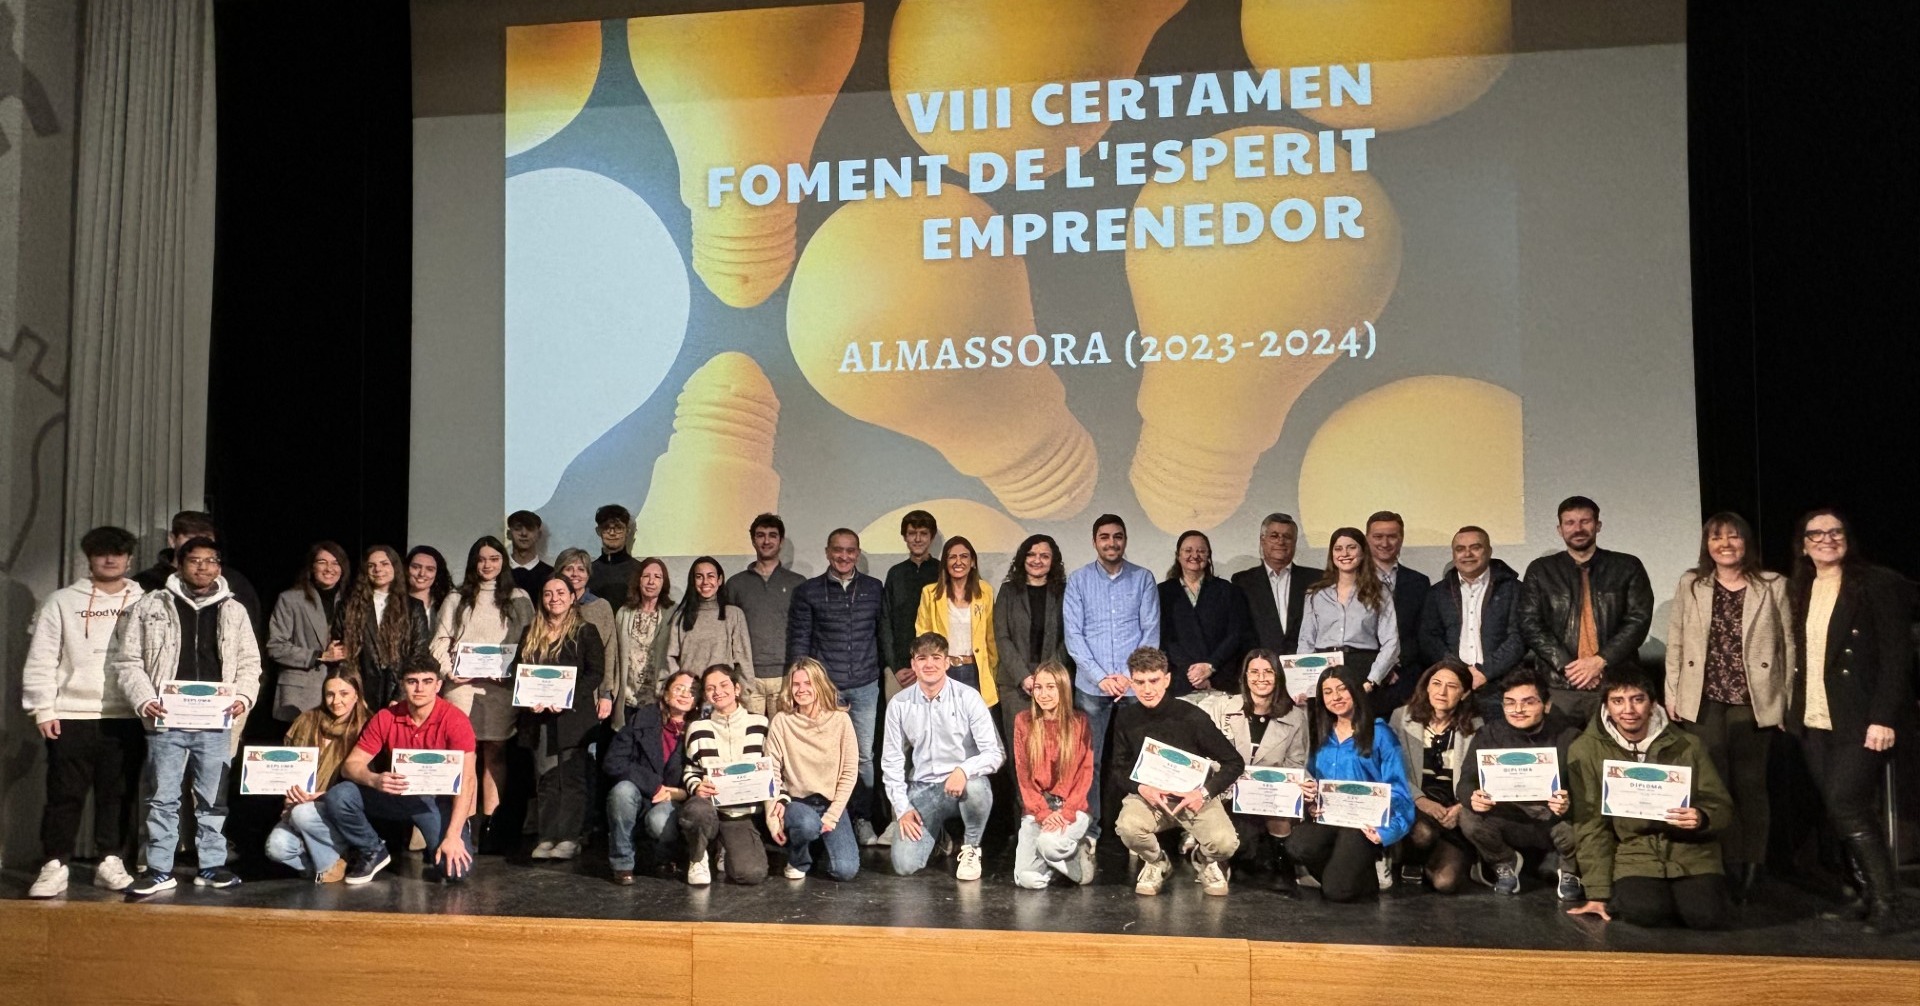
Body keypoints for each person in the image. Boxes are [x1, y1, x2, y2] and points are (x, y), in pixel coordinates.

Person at [113, 537, 263, 896]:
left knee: (213, 799)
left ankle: (211, 865)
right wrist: (144, 698)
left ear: (219, 566)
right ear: (179, 564)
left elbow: (249, 663)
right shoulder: (151, 604)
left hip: (215, 721)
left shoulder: (234, 610)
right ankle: (159, 869)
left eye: (211, 560)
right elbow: (128, 660)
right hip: (166, 719)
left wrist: (243, 697)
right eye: (195, 560)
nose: (203, 567)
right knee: (162, 798)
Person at [1787, 508, 1912, 934]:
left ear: (1847, 537)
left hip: (1861, 719)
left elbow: (1897, 657)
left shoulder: (1875, 582)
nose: (1826, 539)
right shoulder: (1802, 587)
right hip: (1814, 719)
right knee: (1840, 810)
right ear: (1803, 545)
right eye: (1816, 534)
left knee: (1848, 804)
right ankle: (1865, 895)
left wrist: (1883, 718)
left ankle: (1888, 903)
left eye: (1835, 531)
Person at [1663, 511, 1794, 902]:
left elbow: (1788, 646)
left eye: (1733, 536)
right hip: (1702, 698)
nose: (1725, 544)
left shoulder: (1772, 585)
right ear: (1707, 545)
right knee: (1713, 785)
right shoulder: (1692, 583)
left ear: (1746, 542)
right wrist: (1672, 691)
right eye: (1716, 537)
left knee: (1751, 786)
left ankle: (1752, 865)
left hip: (1753, 700)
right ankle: (1722, 863)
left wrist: (1785, 701)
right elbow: (1676, 639)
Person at [22, 525, 146, 898]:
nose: (110, 559)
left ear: (129, 559)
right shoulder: (61, 601)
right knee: (64, 794)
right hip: (71, 712)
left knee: (118, 795)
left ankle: (110, 861)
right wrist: (42, 708)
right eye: (101, 553)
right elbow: (42, 656)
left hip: (126, 715)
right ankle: (54, 864)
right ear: (89, 558)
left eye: (117, 553)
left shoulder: (147, 601)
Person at [1566, 666, 1731, 930]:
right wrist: (1597, 893)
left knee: (1706, 917)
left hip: (1691, 851)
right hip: (1635, 852)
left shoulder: (1689, 745)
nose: (1628, 710)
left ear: (1653, 704)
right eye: (1618, 701)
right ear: (1606, 707)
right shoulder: (1585, 750)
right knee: (1645, 912)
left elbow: (1720, 805)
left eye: (1637, 699)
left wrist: (1702, 817)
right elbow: (1591, 823)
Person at [321, 654, 479, 885]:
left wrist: (453, 835)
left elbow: (467, 779)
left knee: (455, 871)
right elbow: (350, 766)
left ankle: (455, 828)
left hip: (436, 801)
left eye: (427, 681)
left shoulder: (455, 719)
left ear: (438, 685)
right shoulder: (386, 717)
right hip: (396, 794)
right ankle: (372, 850)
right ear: (403, 684)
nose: (419, 688)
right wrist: (374, 779)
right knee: (340, 795)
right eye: (412, 681)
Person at [1111, 647, 1243, 896]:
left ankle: (1203, 860)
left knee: (1225, 843)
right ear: (1131, 683)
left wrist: (1203, 793)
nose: (1147, 689)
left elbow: (1234, 763)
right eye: (1139, 682)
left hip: (1193, 798)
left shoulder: (1192, 717)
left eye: (1154, 681)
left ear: (1167, 679)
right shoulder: (1126, 718)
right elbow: (1118, 769)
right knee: (1128, 826)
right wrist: (1142, 789)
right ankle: (1156, 862)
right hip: (1150, 797)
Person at [430, 536, 534, 845]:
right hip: (461, 688)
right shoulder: (456, 597)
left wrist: (512, 671)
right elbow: (439, 642)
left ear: (503, 561)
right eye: (481, 559)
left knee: (496, 753)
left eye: (494, 559)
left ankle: (491, 827)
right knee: (465, 754)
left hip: (500, 690)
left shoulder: (519, 597)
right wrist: (450, 671)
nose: (487, 565)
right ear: (473, 562)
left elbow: (531, 643)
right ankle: (463, 825)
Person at [786, 528, 886, 845]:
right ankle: (828, 817)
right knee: (825, 757)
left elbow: (882, 635)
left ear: (857, 553)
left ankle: (862, 819)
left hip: (866, 685)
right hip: (826, 690)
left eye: (850, 550)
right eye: (838, 550)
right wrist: (799, 684)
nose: (844, 556)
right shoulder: (808, 591)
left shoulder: (874, 588)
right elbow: (800, 641)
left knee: (864, 758)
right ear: (828, 552)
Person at [1063, 513, 1160, 831]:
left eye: (1117, 536)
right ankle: (1090, 829)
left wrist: (1129, 677)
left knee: (1141, 760)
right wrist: (1102, 677)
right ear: (1094, 542)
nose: (1111, 542)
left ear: (1125, 540)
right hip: (1092, 688)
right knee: (1089, 761)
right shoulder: (1078, 580)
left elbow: (1150, 632)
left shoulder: (1143, 578)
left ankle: (1139, 828)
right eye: (1104, 537)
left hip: (1135, 688)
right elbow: (1074, 636)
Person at [1519, 496, 1654, 724]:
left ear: (1598, 525)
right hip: (1559, 685)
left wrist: (1600, 661)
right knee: (1562, 746)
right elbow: (1530, 623)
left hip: (1615, 683)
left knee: (1614, 746)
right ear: (1560, 529)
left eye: (1585, 521)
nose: (1578, 529)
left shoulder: (1627, 566)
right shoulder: (1541, 570)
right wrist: (1570, 668)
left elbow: (1638, 620)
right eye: (1570, 523)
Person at [1287, 666, 1414, 903]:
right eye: (1328, 692)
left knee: (1337, 892)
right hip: (1329, 818)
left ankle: (1363, 869)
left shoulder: (1380, 734)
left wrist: (1386, 832)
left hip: (1364, 824)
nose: (1335, 697)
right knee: (1297, 845)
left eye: (1342, 689)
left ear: (1355, 691)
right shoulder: (1321, 735)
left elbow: (1399, 791)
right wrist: (1311, 802)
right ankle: (1350, 873)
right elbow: (1313, 780)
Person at [883, 632, 1003, 879]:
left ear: (947, 662)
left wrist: (963, 770)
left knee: (977, 788)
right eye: (922, 658)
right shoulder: (899, 704)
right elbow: (891, 762)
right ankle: (939, 838)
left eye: (936, 658)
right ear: (913, 664)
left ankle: (971, 848)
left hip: (962, 786)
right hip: (923, 788)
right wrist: (902, 808)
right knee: (904, 865)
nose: (929, 664)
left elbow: (995, 753)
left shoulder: (968, 697)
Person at [1457, 665, 1582, 900]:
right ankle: (1505, 862)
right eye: (1510, 702)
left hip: (1553, 820)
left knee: (1584, 820)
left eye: (1528, 702)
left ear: (1546, 705)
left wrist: (1569, 803)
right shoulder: (1488, 734)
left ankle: (1570, 869)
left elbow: (1587, 792)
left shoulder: (1569, 736)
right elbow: (1465, 782)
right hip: (1508, 818)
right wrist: (1473, 797)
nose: (1518, 710)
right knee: (1468, 816)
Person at [1189, 649, 1308, 895]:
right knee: (1239, 843)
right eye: (1254, 672)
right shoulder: (1223, 707)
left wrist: (1285, 785)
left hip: (1269, 797)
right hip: (1227, 792)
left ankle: (1283, 866)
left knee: (1276, 817)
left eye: (1268, 672)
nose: (1261, 678)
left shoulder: (1295, 716)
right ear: (1245, 676)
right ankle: (1211, 857)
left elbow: (1296, 764)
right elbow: (1207, 755)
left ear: (1278, 676)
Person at [514, 575, 607, 861]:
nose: (554, 598)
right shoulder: (530, 631)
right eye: (547, 593)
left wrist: (567, 698)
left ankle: (569, 837)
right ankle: (547, 836)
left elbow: (595, 672)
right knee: (546, 779)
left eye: (560, 592)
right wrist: (528, 699)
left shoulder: (585, 631)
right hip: (538, 719)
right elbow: (519, 670)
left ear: (572, 597)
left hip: (573, 718)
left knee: (572, 780)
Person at [264, 669, 371, 882]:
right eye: (330, 694)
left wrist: (322, 796)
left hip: (341, 808)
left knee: (302, 814)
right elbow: (287, 767)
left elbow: (368, 780)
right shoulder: (307, 720)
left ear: (357, 695)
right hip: (301, 804)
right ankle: (332, 861)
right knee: (277, 847)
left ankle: (328, 866)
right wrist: (288, 796)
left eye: (344, 694)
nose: (336, 701)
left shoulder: (368, 725)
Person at [1387, 661, 1478, 893]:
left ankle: (1430, 859)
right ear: (1426, 687)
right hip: (1414, 800)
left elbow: (1479, 776)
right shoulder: (1401, 717)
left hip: (1452, 807)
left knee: (1446, 883)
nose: (1442, 692)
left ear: (1465, 693)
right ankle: (1411, 859)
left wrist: (1460, 807)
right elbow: (1391, 770)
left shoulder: (1476, 725)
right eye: (1436, 683)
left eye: (1452, 686)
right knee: (1422, 833)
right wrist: (1420, 800)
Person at [766, 657, 860, 881]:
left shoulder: (840, 720)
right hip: (797, 803)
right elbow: (771, 771)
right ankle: (799, 859)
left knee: (845, 871)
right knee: (807, 824)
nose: (801, 690)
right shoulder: (782, 721)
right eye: (796, 684)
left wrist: (833, 816)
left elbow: (849, 773)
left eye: (808, 683)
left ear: (820, 684)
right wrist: (772, 818)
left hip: (829, 802)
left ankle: (816, 847)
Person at [1419, 526, 1526, 717]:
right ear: (1453, 554)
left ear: (1489, 551)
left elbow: (1519, 637)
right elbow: (1429, 637)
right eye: (1460, 549)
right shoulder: (1437, 593)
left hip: (1501, 686)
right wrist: (1457, 671)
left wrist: (1485, 672)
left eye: (1475, 547)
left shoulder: (1513, 589)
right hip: (1453, 687)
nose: (1467, 554)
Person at [679, 665, 772, 886]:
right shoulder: (697, 728)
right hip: (709, 807)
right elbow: (691, 770)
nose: (718, 692)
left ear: (737, 689)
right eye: (710, 688)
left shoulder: (760, 724)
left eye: (723, 685)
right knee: (697, 810)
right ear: (705, 695)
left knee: (751, 874)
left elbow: (773, 769)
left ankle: (724, 847)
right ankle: (698, 858)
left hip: (740, 814)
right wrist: (696, 786)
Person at [604, 669, 696, 885]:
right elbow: (613, 761)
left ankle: (666, 857)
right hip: (643, 793)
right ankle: (622, 864)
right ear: (666, 694)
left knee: (659, 822)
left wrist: (680, 793)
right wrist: (654, 785)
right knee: (622, 792)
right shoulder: (642, 719)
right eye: (679, 688)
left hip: (676, 798)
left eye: (691, 691)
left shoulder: (701, 727)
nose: (684, 694)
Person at [1011, 661, 1096, 888]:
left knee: (1048, 844)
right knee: (1026, 880)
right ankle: (1063, 863)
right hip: (1038, 809)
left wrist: (1066, 812)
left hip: (1071, 808)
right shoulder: (1023, 721)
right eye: (1038, 687)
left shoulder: (1079, 722)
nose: (1044, 694)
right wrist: (1043, 813)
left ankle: (1070, 853)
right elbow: (1023, 775)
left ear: (1063, 688)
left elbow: (1085, 773)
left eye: (1051, 687)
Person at [1294, 527, 1399, 697]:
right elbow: (1306, 640)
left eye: (1351, 547)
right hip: (1324, 669)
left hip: (1363, 669)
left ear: (1363, 552)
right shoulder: (1316, 594)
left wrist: (1373, 680)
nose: (1345, 553)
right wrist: (1303, 683)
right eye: (1338, 548)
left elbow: (1391, 641)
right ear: (1332, 554)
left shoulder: (1379, 591)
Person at [726, 513, 807, 716]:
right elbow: (727, 632)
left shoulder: (798, 583)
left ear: (781, 541)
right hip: (748, 677)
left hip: (786, 675)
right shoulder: (735, 584)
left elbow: (805, 629)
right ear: (753, 540)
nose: (766, 541)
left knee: (783, 735)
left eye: (772, 535)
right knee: (751, 735)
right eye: (760, 535)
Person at [133, 510, 263, 634]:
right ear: (172, 540)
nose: (199, 544)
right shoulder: (146, 582)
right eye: (191, 538)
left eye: (206, 538)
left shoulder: (234, 582)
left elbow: (250, 632)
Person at [266, 541, 352, 723]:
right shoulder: (290, 599)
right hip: (300, 694)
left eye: (336, 563)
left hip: (342, 692)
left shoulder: (351, 601)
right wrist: (319, 656)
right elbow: (275, 647)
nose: (329, 568)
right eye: (322, 562)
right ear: (312, 567)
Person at [992, 534, 1069, 737]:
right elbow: (1002, 636)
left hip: (1053, 679)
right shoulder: (1008, 591)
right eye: (1031, 554)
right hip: (1015, 682)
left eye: (1044, 556)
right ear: (1022, 558)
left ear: (1053, 561)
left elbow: (1069, 636)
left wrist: (1047, 675)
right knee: (1019, 744)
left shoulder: (1064, 592)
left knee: (1051, 743)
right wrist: (1023, 677)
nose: (1037, 560)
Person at [1158, 529, 1251, 696]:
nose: (1195, 555)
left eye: (1201, 551)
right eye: (1188, 550)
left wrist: (1210, 666)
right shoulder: (1162, 592)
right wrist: (1193, 673)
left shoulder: (1228, 590)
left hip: (1221, 678)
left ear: (1208, 555)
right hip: (1179, 679)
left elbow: (1236, 634)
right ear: (1178, 555)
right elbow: (1164, 638)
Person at [338, 544, 430, 710]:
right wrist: (356, 693)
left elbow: (419, 653)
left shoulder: (414, 607)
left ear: (395, 567)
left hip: (400, 692)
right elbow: (342, 653)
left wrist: (400, 695)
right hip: (361, 693)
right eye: (371, 565)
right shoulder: (349, 605)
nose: (378, 569)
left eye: (384, 564)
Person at [914, 536, 1000, 704]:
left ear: (972, 562)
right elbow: (922, 636)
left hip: (976, 671)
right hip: (943, 671)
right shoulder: (930, 593)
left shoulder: (985, 591)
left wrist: (992, 671)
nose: (958, 562)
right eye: (952, 557)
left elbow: (991, 637)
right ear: (945, 563)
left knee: (976, 720)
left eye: (964, 556)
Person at [1365, 511, 1430, 710]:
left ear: (1401, 538)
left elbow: (1422, 633)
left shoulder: (1419, 582)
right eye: (1378, 536)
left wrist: (1393, 663)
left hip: (1406, 679)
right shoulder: (1350, 581)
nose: (1385, 543)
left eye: (1392, 536)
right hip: (1364, 678)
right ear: (1367, 539)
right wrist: (1380, 668)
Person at [609, 557, 677, 728]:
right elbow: (614, 654)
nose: (651, 581)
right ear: (638, 580)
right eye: (646, 576)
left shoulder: (673, 613)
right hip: (628, 699)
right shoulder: (624, 613)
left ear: (664, 582)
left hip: (658, 699)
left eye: (657, 577)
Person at [879, 509, 942, 692]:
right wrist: (896, 667)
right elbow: (885, 623)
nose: (918, 539)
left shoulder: (942, 572)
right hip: (901, 670)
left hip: (935, 666)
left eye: (923, 533)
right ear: (905, 537)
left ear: (932, 537)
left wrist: (931, 663)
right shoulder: (895, 574)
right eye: (912, 533)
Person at [1232, 513, 1312, 655]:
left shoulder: (1315, 579)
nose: (1280, 542)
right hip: (1260, 663)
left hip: (1304, 663)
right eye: (1274, 536)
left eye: (1287, 537)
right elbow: (1239, 631)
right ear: (1262, 541)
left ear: (1294, 542)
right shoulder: (1243, 582)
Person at [667, 556, 753, 678]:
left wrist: (744, 688)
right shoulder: (680, 617)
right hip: (690, 688)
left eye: (710, 576)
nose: (705, 582)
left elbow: (744, 662)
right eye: (699, 577)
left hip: (721, 688)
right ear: (693, 581)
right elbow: (670, 659)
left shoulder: (734, 615)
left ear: (719, 580)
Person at [552, 546, 616, 690]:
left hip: (591, 690)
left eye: (581, 569)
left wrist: (606, 692)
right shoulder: (552, 605)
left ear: (588, 574)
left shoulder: (601, 606)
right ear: (559, 573)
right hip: (555, 687)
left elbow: (609, 651)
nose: (575, 574)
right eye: (569, 569)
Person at [587, 504, 639, 608]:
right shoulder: (588, 572)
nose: (612, 533)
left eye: (618, 528)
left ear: (627, 531)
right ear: (598, 531)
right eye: (606, 527)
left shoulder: (639, 570)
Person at [505, 510, 551, 596]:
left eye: (530, 528)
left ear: (539, 535)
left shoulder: (550, 574)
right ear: (508, 534)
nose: (524, 533)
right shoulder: (498, 572)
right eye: (518, 528)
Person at [405, 545, 454, 614]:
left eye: (430, 569)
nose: (422, 574)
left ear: (437, 574)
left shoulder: (447, 603)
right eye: (416, 567)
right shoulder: (394, 601)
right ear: (406, 569)